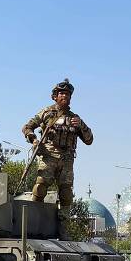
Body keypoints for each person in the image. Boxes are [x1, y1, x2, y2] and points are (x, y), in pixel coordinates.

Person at [22, 79, 93, 240]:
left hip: (67, 159)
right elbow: (27, 127)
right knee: (40, 188)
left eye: (67, 94)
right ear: (55, 96)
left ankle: (63, 229)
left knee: (66, 194)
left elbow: (89, 140)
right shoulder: (47, 113)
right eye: (61, 93)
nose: (65, 96)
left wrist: (81, 126)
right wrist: (34, 140)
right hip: (48, 156)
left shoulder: (75, 118)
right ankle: (33, 224)